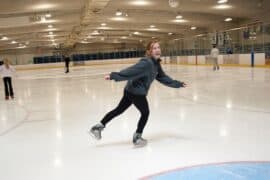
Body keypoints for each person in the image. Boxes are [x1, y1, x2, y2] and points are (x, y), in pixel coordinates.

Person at [89, 41, 187, 147]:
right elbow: (131, 71)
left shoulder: (156, 63)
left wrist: (178, 84)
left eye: (158, 47)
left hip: (130, 90)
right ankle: (137, 137)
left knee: (119, 110)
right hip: (136, 92)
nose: (157, 49)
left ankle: (98, 127)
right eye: (154, 48)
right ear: (149, 51)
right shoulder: (147, 63)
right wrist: (114, 75)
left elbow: (162, 77)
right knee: (145, 113)